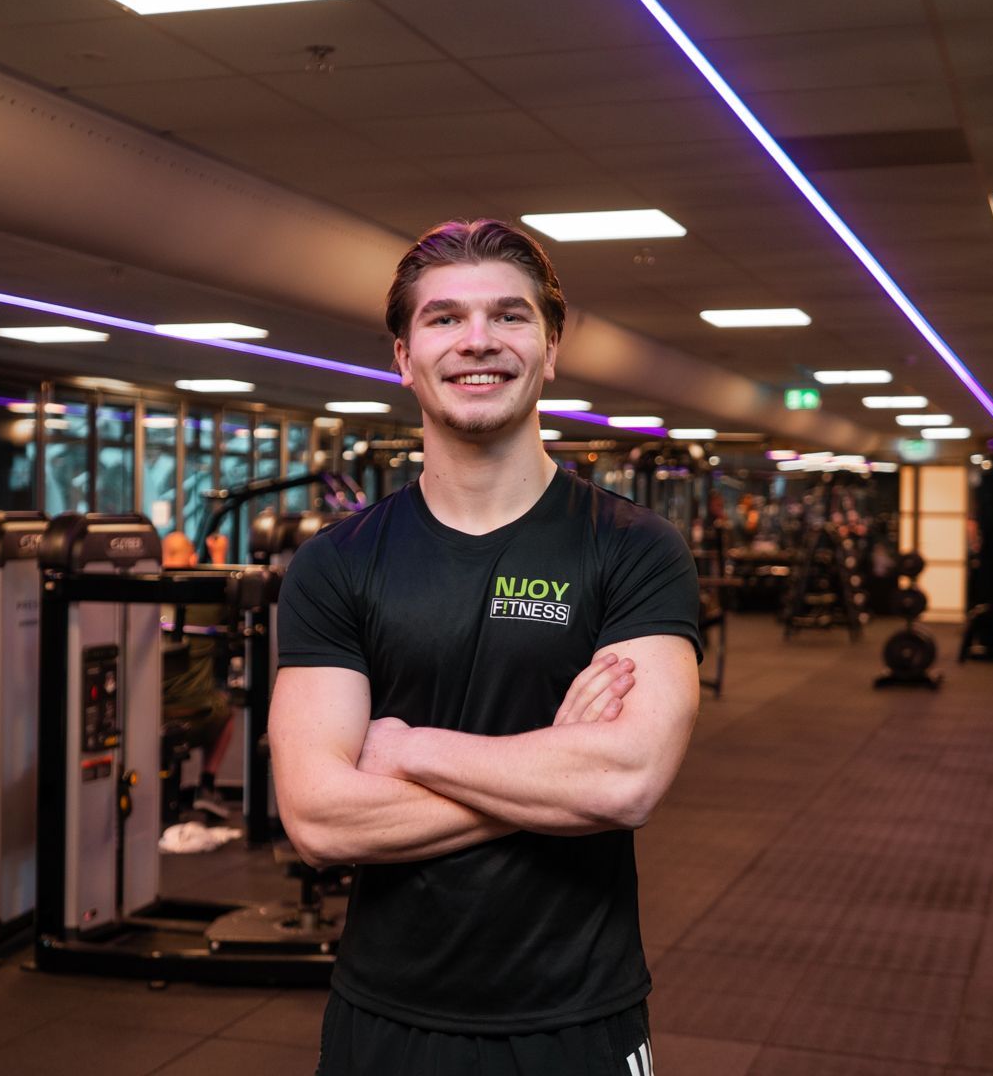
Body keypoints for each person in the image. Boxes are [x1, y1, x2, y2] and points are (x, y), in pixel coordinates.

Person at [270, 219, 702, 1076]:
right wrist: (552, 767)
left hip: (577, 1016)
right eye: (444, 318)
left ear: (550, 350)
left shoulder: (634, 549)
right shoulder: (336, 564)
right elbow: (319, 817)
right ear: (402, 354)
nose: (478, 341)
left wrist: (402, 748)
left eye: (510, 316)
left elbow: (625, 780)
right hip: (383, 1016)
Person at [160, 531, 234, 820]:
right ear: (192, 559)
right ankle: (206, 783)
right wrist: (218, 557)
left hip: (148, 712)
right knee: (226, 711)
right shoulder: (205, 606)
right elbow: (224, 589)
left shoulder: (142, 599)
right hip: (198, 711)